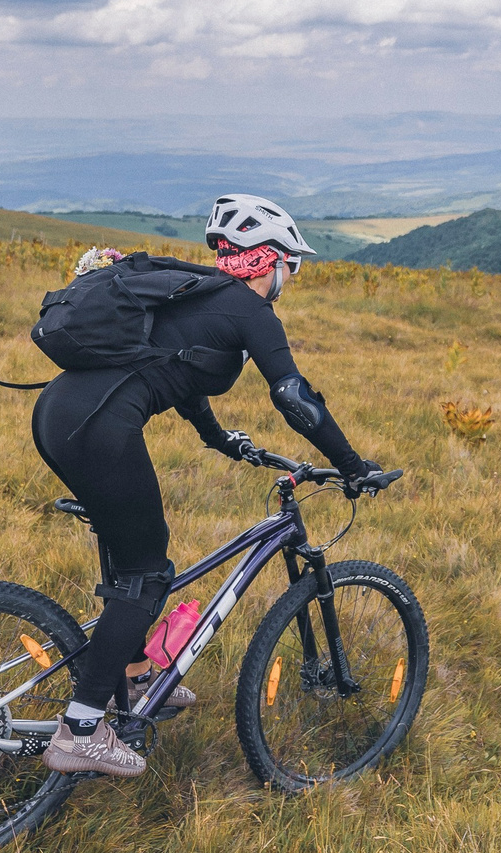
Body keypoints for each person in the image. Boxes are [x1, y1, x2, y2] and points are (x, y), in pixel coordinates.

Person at [30, 193, 381, 778]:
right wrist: (352, 464)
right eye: (291, 266)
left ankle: (135, 678)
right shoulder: (250, 311)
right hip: (96, 428)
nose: (289, 279)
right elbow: (293, 395)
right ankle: (81, 730)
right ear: (270, 261)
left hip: (59, 412)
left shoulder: (199, 294)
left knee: (136, 564)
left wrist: (222, 440)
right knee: (148, 574)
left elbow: (179, 373)